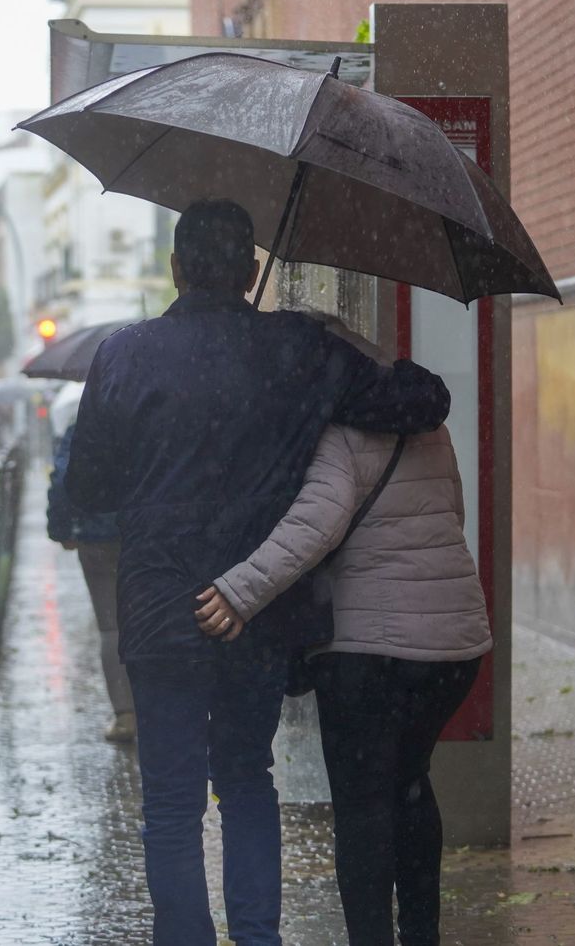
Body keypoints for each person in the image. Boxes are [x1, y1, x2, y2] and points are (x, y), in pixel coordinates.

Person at [65, 200, 450, 946]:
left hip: (159, 608)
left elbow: (89, 489)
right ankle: (257, 937)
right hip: (258, 611)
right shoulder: (297, 348)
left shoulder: (124, 353)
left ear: (176, 269)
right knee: (246, 778)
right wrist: (332, 353)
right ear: (250, 271)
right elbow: (419, 400)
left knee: (171, 801)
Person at [195, 318, 492, 946]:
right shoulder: (425, 419)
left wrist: (239, 591)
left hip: (369, 653)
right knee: (410, 783)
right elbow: (452, 515)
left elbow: (315, 525)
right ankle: (422, 935)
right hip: (452, 645)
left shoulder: (340, 430)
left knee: (362, 805)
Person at [46, 385, 135, 742]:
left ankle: (125, 715)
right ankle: (156, 708)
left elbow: (62, 481)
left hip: (96, 540)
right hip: (142, 537)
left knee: (111, 628)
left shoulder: (80, 429)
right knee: (147, 621)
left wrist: (62, 530)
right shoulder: (146, 421)